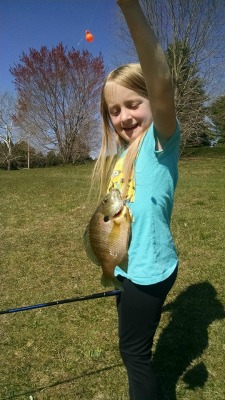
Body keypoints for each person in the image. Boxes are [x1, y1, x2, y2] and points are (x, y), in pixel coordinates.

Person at [92, 1, 181, 398]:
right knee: (133, 344)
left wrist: (129, 8)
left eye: (133, 103)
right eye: (115, 110)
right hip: (126, 267)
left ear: (151, 102)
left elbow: (161, 81)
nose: (124, 116)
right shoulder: (119, 158)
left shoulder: (161, 142)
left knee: (133, 352)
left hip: (149, 271)